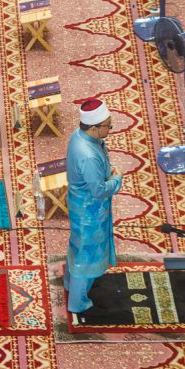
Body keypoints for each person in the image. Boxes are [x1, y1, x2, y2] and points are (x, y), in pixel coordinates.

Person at [64, 97, 124, 313]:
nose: (110, 129)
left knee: (78, 246)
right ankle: (77, 303)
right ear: (93, 127)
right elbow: (98, 190)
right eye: (107, 126)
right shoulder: (88, 155)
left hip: (82, 205)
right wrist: (117, 179)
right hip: (89, 211)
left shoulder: (79, 137)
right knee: (86, 256)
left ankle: (71, 285)